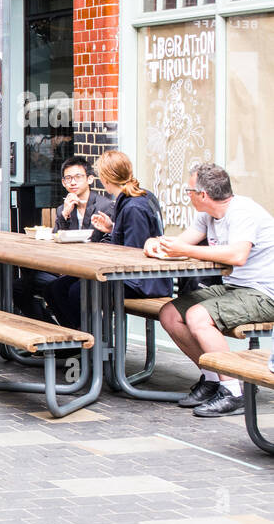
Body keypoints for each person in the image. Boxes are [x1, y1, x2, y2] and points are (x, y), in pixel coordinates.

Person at [149, 163, 274, 418]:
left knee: (197, 316)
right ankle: (212, 379)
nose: (188, 195)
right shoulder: (206, 215)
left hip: (265, 293)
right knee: (170, 314)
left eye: (189, 190)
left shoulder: (243, 212)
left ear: (203, 195)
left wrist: (183, 250)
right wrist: (155, 243)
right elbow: (182, 243)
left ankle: (233, 392)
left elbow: (238, 255)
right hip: (235, 288)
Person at [43, 151, 169, 329]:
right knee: (55, 288)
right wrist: (112, 228)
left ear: (105, 179)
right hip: (134, 276)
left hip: (142, 281)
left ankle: (95, 343)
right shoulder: (136, 197)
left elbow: (134, 254)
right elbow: (133, 239)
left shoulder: (133, 206)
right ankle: (82, 340)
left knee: (77, 291)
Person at [12, 156, 114, 321]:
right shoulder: (63, 209)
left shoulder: (104, 206)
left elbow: (109, 243)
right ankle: (51, 330)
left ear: (89, 179)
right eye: (68, 178)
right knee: (19, 287)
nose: (73, 182)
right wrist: (65, 215)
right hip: (65, 270)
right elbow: (57, 241)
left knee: (57, 289)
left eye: (78, 177)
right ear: (63, 183)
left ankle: (75, 334)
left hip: (89, 273)